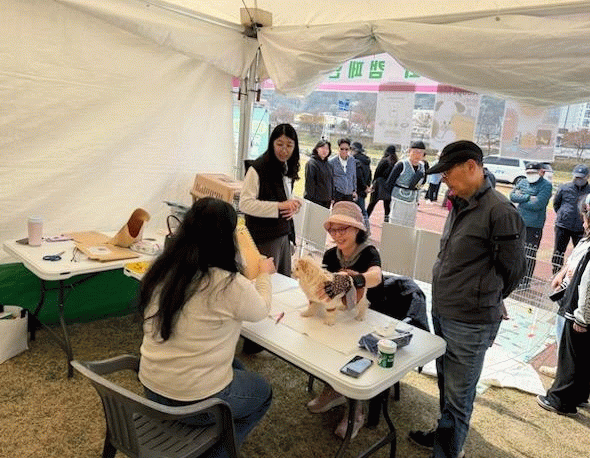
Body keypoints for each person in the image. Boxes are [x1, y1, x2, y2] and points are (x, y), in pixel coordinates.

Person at [409, 140, 526, 458]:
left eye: (447, 172)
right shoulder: (459, 201)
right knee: (446, 384)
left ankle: (448, 452)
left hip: (471, 321)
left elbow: (514, 270)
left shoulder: (500, 211)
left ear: (471, 167)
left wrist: (488, 296)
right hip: (445, 311)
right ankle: (443, 437)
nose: (443, 178)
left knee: (459, 397)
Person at [138, 197, 275, 458]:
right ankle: (218, 452)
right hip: (194, 403)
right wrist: (264, 274)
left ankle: (218, 431)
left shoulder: (163, 269)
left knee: (236, 365)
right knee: (263, 392)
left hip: (152, 389)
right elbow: (261, 309)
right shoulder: (228, 284)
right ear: (228, 238)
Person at [305, 201, 383, 440]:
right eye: (333, 230)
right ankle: (332, 390)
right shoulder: (331, 254)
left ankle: (356, 411)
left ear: (357, 229)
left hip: (364, 316)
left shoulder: (368, 252)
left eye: (344, 229)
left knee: (354, 355)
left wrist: (353, 280)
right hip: (338, 315)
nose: (337, 235)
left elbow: (376, 277)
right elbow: (325, 283)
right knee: (323, 344)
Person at [537, 194, 590, 417]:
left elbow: (588, 284)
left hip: (579, 309)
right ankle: (579, 394)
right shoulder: (586, 240)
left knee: (572, 357)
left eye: (585, 218)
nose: (583, 223)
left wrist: (582, 317)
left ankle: (560, 400)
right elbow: (574, 260)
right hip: (577, 304)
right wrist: (562, 273)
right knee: (583, 356)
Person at [240, 123, 301, 276]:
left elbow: (287, 197)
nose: (284, 150)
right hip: (264, 237)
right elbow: (245, 204)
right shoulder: (257, 169)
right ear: (272, 143)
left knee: (283, 280)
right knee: (266, 280)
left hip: (284, 234)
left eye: (289, 145)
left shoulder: (287, 167)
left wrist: (293, 206)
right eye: (279, 144)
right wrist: (279, 206)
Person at [509, 162, 553, 287]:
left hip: (534, 225)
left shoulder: (546, 185)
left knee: (529, 253)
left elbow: (538, 204)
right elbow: (512, 196)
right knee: (515, 250)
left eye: (533, 173)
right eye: (528, 173)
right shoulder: (522, 182)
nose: (530, 175)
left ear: (540, 172)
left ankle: (525, 281)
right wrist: (528, 197)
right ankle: (514, 278)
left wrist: (522, 199)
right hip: (518, 222)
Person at [551, 163, 590, 274]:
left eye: (581, 177)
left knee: (580, 253)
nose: (578, 179)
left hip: (581, 228)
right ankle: (556, 273)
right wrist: (563, 215)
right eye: (576, 177)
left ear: (587, 177)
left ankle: (575, 275)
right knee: (558, 252)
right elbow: (556, 204)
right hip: (563, 225)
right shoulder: (564, 188)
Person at [384, 140, 428, 227]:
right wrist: (389, 199)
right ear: (409, 151)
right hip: (399, 199)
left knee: (409, 225)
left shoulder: (423, 166)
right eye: (415, 152)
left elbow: (423, 181)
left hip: (413, 201)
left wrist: (416, 188)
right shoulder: (401, 165)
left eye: (421, 152)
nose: (418, 155)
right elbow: (389, 183)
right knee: (396, 224)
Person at [367, 145, 398, 222]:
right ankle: (386, 221)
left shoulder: (384, 160)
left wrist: (373, 182)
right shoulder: (396, 162)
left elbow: (377, 172)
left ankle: (365, 218)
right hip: (389, 186)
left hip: (379, 185)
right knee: (387, 206)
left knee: (372, 203)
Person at [304, 139, 333, 209]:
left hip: (327, 201)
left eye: (327, 148)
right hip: (315, 201)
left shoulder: (329, 165)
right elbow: (310, 184)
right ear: (317, 149)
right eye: (322, 148)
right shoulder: (312, 163)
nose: (325, 150)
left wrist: (332, 197)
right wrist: (309, 200)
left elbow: (331, 182)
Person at [350, 141, 372, 225]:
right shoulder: (366, 161)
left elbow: (358, 176)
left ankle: (365, 227)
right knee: (361, 210)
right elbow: (370, 175)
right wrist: (367, 186)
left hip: (357, 189)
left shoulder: (355, 161)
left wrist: (364, 187)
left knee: (359, 211)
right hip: (363, 190)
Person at [329, 138, 357, 203]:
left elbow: (353, 176)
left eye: (346, 149)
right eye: (342, 149)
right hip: (337, 194)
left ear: (349, 149)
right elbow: (330, 180)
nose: (344, 151)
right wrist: (332, 195)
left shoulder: (352, 160)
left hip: (349, 194)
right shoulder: (332, 162)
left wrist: (354, 190)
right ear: (338, 149)